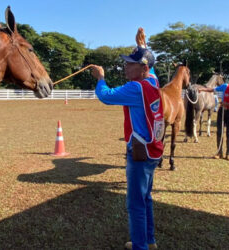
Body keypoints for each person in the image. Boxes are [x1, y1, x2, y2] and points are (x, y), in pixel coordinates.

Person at [92, 46, 163, 250]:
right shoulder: (153, 81)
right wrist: (142, 42)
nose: (125, 67)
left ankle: (140, 246)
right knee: (145, 198)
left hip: (139, 154)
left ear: (143, 67)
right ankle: (149, 241)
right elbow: (154, 70)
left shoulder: (136, 88)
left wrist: (100, 78)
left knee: (135, 204)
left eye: (130, 63)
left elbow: (106, 96)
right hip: (152, 152)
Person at [199, 75, 229, 161]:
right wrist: (202, 89)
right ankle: (219, 152)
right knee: (219, 132)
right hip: (222, 112)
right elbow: (213, 89)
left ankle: (228, 153)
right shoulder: (226, 86)